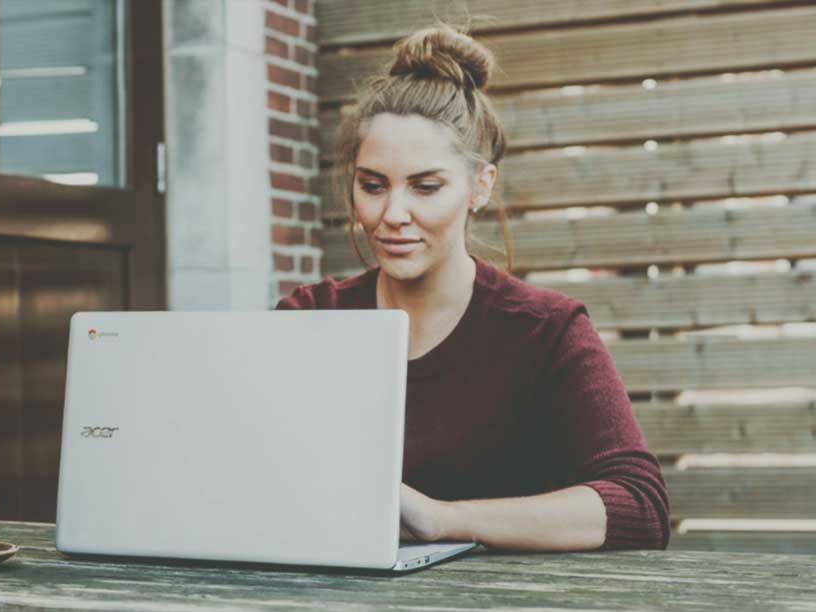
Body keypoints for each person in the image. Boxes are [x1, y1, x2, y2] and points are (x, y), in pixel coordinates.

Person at [276, 25, 669, 551]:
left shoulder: (545, 331)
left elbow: (640, 505)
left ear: (480, 187)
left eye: (426, 186)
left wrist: (442, 519)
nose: (392, 215)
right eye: (372, 186)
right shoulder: (310, 317)